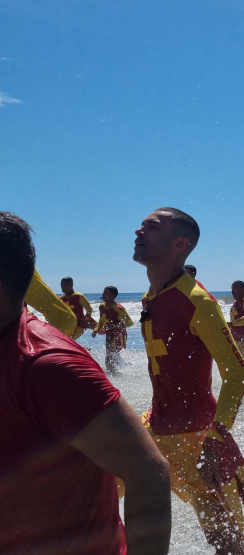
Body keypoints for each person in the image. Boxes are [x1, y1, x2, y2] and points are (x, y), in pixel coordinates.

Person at [0, 211, 171, 555]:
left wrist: (97, 331)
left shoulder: (47, 367)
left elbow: (147, 472)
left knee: (111, 362)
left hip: (84, 353)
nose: (64, 289)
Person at [133, 207, 244, 554]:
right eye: (142, 225)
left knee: (230, 545)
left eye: (151, 227)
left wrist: (216, 437)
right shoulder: (151, 298)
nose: (138, 231)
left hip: (197, 438)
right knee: (95, 485)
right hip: (154, 427)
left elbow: (237, 372)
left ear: (180, 243)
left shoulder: (197, 302)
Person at [93, 285, 134, 375]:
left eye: (105, 293)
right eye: (103, 292)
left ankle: (113, 373)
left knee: (110, 354)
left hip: (119, 334)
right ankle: (124, 366)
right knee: (111, 353)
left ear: (113, 296)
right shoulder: (102, 307)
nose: (103, 294)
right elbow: (101, 320)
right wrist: (97, 329)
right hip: (109, 333)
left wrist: (116, 326)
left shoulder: (119, 309)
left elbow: (130, 323)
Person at [24, 269, 77, 336]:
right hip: (67, 319)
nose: (63, 287)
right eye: (62, 285)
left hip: (62, 320)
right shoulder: (28, 271)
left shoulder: (78, 296)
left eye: (65, 285)